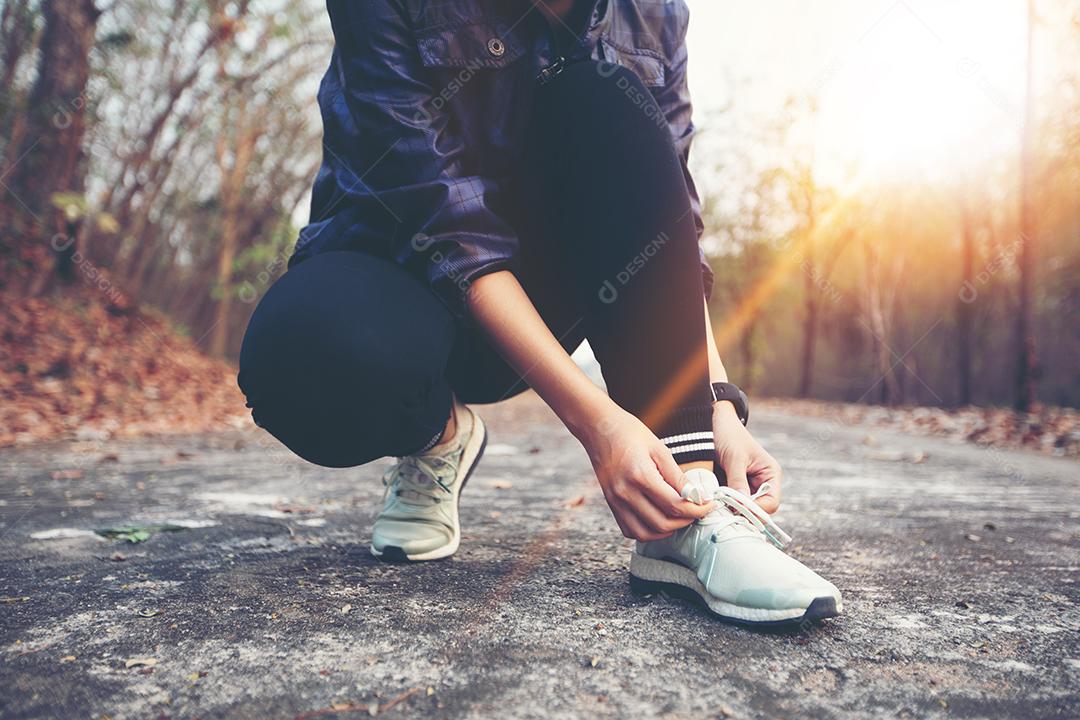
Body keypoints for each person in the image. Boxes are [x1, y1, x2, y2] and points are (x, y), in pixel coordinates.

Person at [238, 0, 841, 626]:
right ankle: (436, 437)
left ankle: (685, 513)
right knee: (299, 359)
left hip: (547, 291)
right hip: (395, 269)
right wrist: (600, 426)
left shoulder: (657, 13)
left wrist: (714, 406)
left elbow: (668, 226)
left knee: (607, 99)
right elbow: (444, 225)